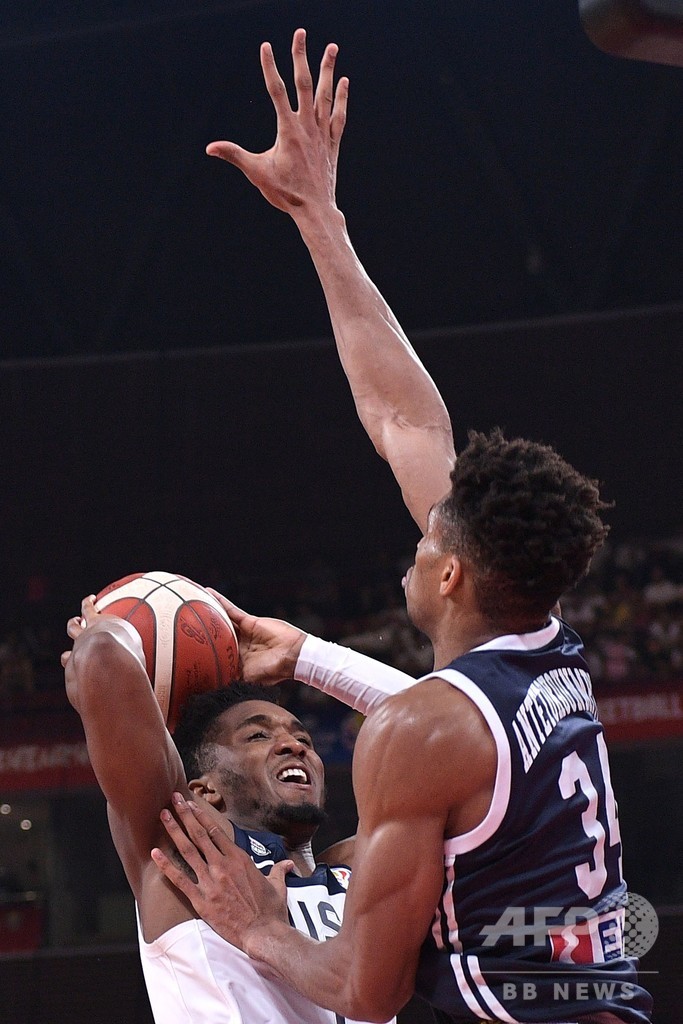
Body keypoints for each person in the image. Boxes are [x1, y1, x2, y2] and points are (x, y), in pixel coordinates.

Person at [150, 30, 653, 1024]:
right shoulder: (550, 650)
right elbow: (405, 422)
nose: (414, 544)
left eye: (428, 540)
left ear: (454, 574)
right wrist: (318, 216)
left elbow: (366, 993)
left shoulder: (420, 734)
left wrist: (258, 925)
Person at [62, 596, 399, 1024]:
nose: (293, 745)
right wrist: (111, 630)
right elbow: (103, 657)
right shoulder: (188, 844)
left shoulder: (359, 868)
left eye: (304, 739)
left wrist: (306, 657)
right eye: (258, 736)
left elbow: (458, 730)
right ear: (206, 790)